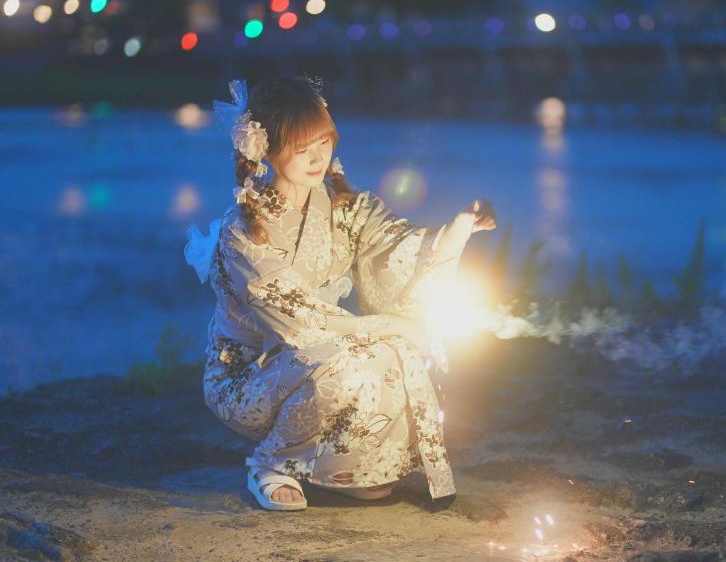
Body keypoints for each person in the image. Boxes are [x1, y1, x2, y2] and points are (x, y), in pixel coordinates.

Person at [184, 74, 496, 511]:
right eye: (301, 148)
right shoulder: (242, 234)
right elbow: (295, 323)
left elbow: (396, 247)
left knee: (390, 355)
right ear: (268, 150)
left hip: (315, 357)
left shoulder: (343, 207)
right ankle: (271, 463)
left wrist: (459, 228)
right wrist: (390, 325)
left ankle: (348, 467)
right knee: (356, 354)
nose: (317, 158)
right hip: (247, 376)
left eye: (323, 143)